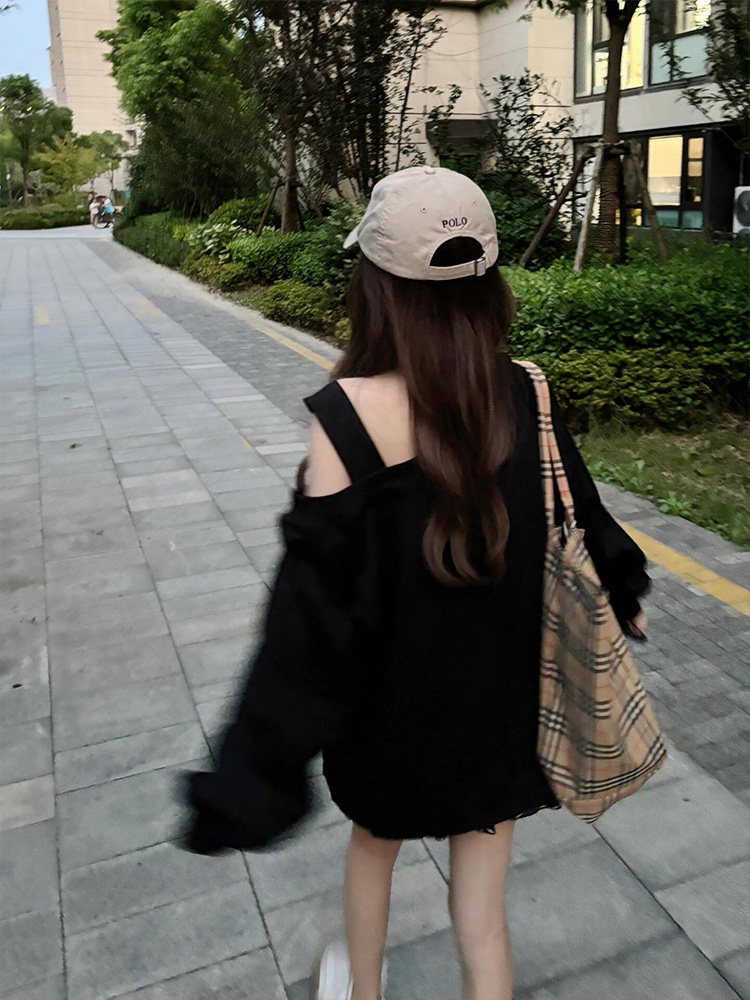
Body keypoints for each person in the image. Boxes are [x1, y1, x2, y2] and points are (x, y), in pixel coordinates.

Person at [181, 166, 650, 1000]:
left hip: (386, 729)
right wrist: (623, 590)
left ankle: (361, 990)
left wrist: (250, 777)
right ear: (489, 282)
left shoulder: (347, 416)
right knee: (484, 918)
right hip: (501, 715)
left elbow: (307, 624)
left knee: (372, 854)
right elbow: (587, 517)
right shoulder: (525, 391)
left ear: (375, 287)